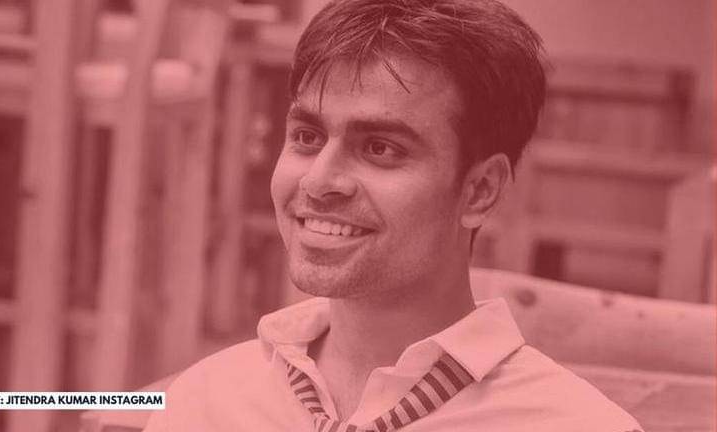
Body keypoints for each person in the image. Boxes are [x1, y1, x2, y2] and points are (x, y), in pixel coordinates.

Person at [144, 0, 643, 430]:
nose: (318, 181)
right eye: (307, 137)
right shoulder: (204, 405)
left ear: (480, 192)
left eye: (380, 148)